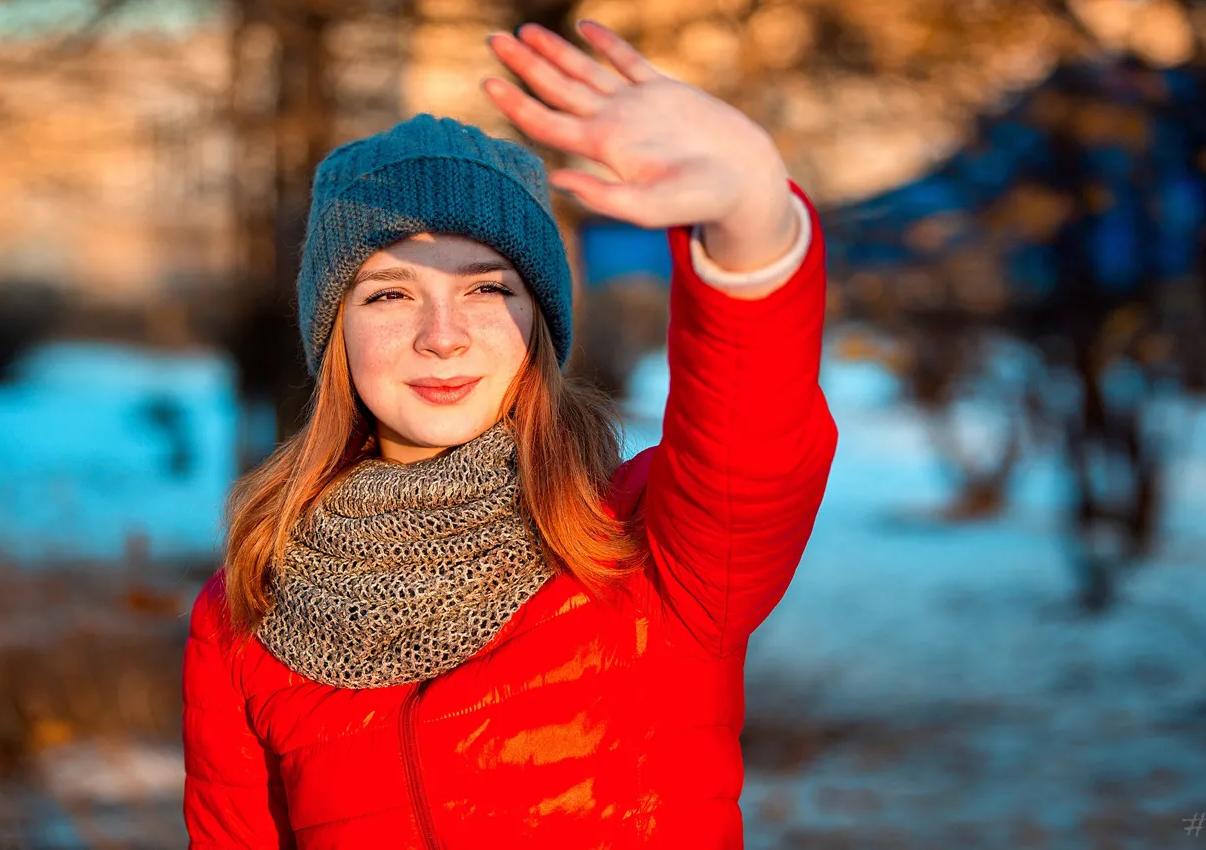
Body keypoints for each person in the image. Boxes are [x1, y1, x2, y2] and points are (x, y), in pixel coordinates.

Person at [182, 18, 837, 849]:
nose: (442, 335)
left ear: (542, 322)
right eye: (388, 294)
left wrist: (752, 221)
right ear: (334, 332)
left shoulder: (647, 547)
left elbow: (756, 434)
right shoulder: (249, 607)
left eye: (488, 289)